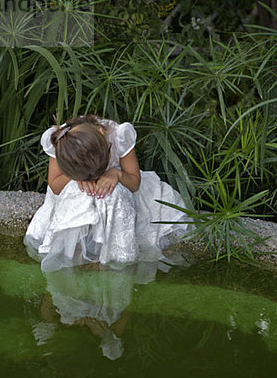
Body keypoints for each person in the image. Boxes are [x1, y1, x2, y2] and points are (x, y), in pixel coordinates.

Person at [24, 114, 190, 272]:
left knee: (111, 194)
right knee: (77, 191)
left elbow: (135, 182)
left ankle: (108, 250)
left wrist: (116, 174)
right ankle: (76, 246)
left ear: (106, 142)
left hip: (116, 193)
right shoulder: (62, 140)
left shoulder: (118, 136)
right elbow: (54, 185)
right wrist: (77, 177)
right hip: (72, 196)